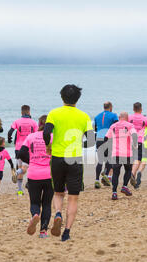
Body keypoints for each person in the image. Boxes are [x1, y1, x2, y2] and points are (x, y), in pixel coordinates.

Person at [43, 84, 95, 242]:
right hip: (75, 159)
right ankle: (66, 232)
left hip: (58, 157)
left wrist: (48, 146)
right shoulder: (84, 116)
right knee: (73, 197)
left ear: (62, 97)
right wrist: (81, 145)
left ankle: (58, 213)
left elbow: (46, 133)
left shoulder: (54, 113)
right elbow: (91, 141)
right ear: (77, 99)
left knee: (58, 193)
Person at [18, 115, 54, 238]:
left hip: (34, 174)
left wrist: (32, 160)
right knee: (47, 204)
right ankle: (43, 231)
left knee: (35, 202)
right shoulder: (54, 137)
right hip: (49, 174)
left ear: (39, 124)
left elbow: (21, 153)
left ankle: (35, 214)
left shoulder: (31, 136)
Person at [105, 112, 137, 200]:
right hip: (127, 153)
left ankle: (114, 193)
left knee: (115, 173)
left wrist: (106, 150)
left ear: (119, 117)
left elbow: (106, 137)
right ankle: (124, 186)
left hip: (116, 153)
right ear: (127, 118)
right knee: (128, 170)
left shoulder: (113, 126)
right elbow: (134, 135)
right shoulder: (130, 125)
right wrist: (135, 145)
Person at [8, 105, 38, 196]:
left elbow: (10, 132)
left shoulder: (17, 121)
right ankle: (17, 173)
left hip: (18, 148)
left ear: (21, 112)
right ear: (29, 112)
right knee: (27, 167)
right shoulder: (33, 122)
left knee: (21, 167)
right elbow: (36, 135)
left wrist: (9, 139)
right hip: (29, 149)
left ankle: (20, 191)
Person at [93, 101, 118, 189]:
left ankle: (96, 180)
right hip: (108, 138)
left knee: (100, 160)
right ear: (110, 107)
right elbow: (116, 127)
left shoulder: (97, 116)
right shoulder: (113, 115)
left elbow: (95, 128)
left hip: (99, 138)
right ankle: (106, 176)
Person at [129, 102, 147, 189]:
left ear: (133, 109)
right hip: (139, 141)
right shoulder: (145, 119)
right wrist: (145, 137)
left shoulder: (129, 117)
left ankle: (131, 175)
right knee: (137, 159)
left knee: (131, 159)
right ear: (141, 109)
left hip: (130, 141)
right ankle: (132, 174)